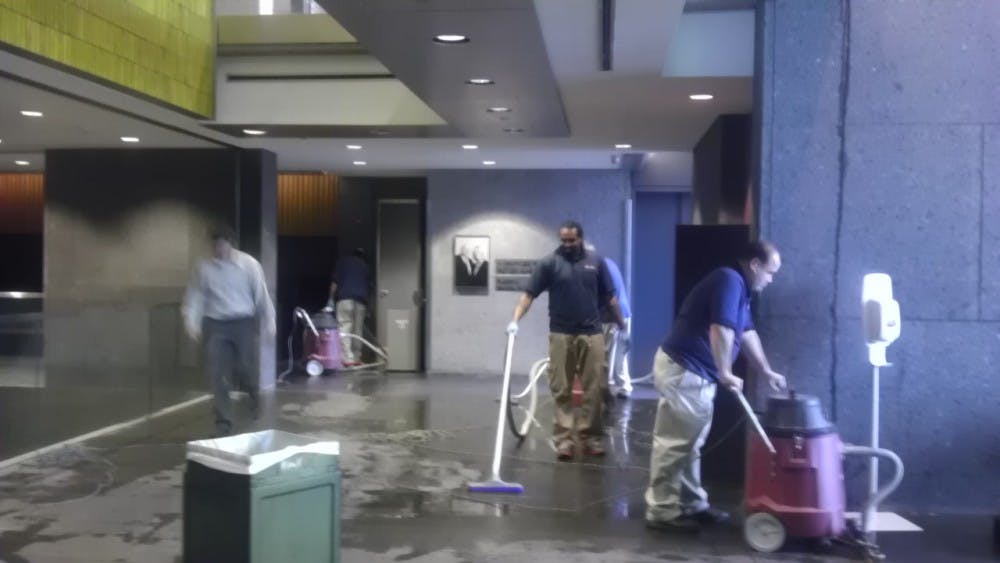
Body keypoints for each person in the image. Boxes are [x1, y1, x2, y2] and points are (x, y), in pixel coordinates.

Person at [645, 240, 787, 532]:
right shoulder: (728, 279)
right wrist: (724, 370)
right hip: (685, 370)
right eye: (770, 272)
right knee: (674, 444)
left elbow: (745, 332)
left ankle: (691, 503)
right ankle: (661, 510)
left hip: (695, 373)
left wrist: (766, 370)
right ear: (755, 265)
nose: (770, 279)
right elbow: (720, 327)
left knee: (690, 441)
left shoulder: (740, 289)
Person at [507, 221, 626, 460]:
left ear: (580, 238)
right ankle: (564, 440)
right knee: (561, 388)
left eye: (572, 240)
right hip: (561, 333)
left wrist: (622, 327)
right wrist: (515, 320)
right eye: (563, 240)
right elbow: (528, 295)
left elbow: (611, 299)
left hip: (592, 333)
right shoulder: (549, 263)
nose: (567, 244)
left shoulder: (597, 263)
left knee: (595, 389)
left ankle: (591, 437)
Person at [182, 226, 276, 437]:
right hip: (216, 324)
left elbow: (261, 294)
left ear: (230, 243)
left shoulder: (249, 265)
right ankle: (223, 423)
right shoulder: (203, 268)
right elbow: (195, 296)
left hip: (243, 322)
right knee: (217, 375)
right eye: (215, 245)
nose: (219, 249)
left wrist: (269, 319)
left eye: (222, 244)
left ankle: (254, 396)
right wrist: (191, 320)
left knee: (245, 368)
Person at [585, 242, 634, 401]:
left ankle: (603, 392)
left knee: (606, 356)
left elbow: (611, 300)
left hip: (615, 317)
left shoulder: (600, 268)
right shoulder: (606, 263)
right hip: (618, 315)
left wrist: (621, 325)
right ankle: (624, 387)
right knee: (618, 355)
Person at [327, 247, 371, 366]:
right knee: (357, 330)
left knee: (344, 327)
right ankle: (357, 357)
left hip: (345, 300)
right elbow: (368, 287)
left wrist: (330, 299)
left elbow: (334, 283)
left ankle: (347, 358)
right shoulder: (365, 267)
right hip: (361, 302)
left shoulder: (343, 262)